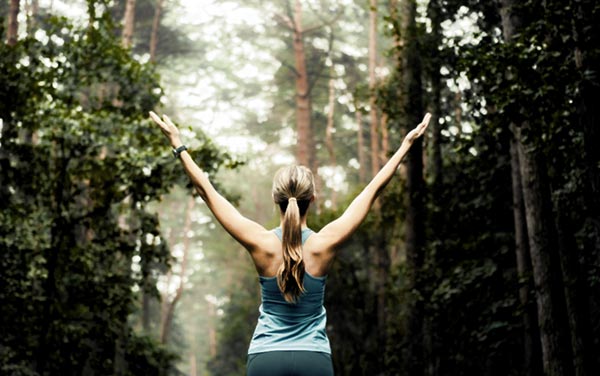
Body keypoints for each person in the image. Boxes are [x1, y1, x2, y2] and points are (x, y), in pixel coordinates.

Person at [149, 111, 431, 376]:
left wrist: (178, 144)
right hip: (314, 359)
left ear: (276, 200)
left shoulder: (259, 243)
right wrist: (405, 146)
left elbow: (207, 192)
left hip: (266, 358)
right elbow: (372, 191)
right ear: (313, 199)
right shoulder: (324, 244)